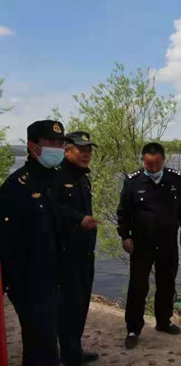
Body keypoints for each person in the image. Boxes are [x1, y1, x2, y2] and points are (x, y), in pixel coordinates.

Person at [0, 120, 66, 366]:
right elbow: (7, 240)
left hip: (54, 277)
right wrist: (14, 284)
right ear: (33, 146)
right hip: (29, 283)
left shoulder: (56, 179)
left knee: (47, 342)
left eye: (60, 143)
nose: (57, 148)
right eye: (51, 142)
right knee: (40, 345)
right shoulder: (15, 186)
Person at [117, 142, 181, 349]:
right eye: (149, 164)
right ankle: (133, 329)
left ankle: (164, 321)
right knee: (138, 286)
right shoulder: (133, 181)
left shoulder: (174, 179)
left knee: (167, 282)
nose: (153, 168)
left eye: (157, 164)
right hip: (142, 243)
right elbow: (123, 212)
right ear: (143, 161)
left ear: (163, 160)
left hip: (168, 241)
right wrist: (125, 236)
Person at [55, 132, 100, 365]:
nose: (86, 154)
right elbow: (51, 208)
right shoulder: (56, 176)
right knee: (68, 306)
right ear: (66, 150)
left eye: (89, 150)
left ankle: (73, 351)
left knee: (80, 304)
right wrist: (78, 219)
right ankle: (67, 354)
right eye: (81, 150)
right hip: (66, 254)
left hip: (84, 252)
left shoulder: (83, 177)